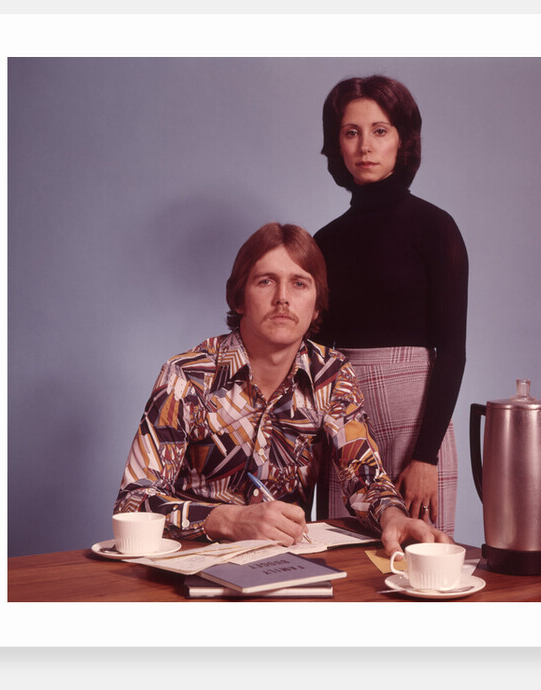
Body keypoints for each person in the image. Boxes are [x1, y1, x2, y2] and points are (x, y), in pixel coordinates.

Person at [114, 221, 452, 556]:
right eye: (265, 281)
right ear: (239, 298)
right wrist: (228, 520)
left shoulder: (331, 377)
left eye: (300, 284)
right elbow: (134, 501)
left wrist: (394, 518)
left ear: (317, 304)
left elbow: (364, 478)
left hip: (284, 568)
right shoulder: (186, 377)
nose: (283, 299)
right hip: (188, 565)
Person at [314, 75, 468, 535]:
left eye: (380, 131)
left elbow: (453, 352)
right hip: (343, 417)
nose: (365, 146)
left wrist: (426, 456)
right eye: (351, 132)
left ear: (403, 140)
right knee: (345, 567)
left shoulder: (436, 228)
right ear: (337, 144)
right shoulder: (324, 242)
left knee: (421, 569)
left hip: (417, 419)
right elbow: (315, 361)